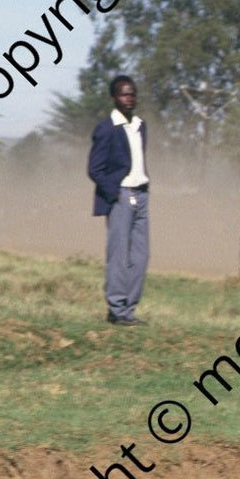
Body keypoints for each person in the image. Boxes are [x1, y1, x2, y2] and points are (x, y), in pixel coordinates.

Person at [87, 75, 150, 326]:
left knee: (141, 256)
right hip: (120, 196)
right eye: (124, 94)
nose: (129, 99)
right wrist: (114, 193)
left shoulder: (140, 125)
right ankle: (116, 309)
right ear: (114, 98)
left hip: (142, 195)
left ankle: (129, 309)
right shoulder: (106, 128)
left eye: (132, 94)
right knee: (118, 256)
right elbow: (94, 169)